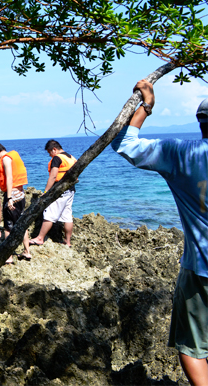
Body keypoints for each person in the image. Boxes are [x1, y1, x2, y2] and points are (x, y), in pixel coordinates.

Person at [112, 79, 208, 385]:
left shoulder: (182, 154)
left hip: (200, 269)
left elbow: (123, 143)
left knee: (194, 347)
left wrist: (147, 107)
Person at [0, 141, 31, 264]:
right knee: (21, 223)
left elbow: (10, 178)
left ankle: (9, 256)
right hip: (21, 194)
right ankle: (27, 251)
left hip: (13, 196)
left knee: (8, 227)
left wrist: (9, 198)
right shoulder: (14, 155)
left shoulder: (5, 159)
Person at [29, 140, 77, 248]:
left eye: (49, 152)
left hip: (60, 190)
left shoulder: (57, 158)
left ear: (54, 149)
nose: (50, 155)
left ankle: (40, 238)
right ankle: (67, 242)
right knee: (67, 215)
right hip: (71, 189)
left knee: (50, 213)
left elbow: (53, 176)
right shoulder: (71, 157)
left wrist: (46, 192)